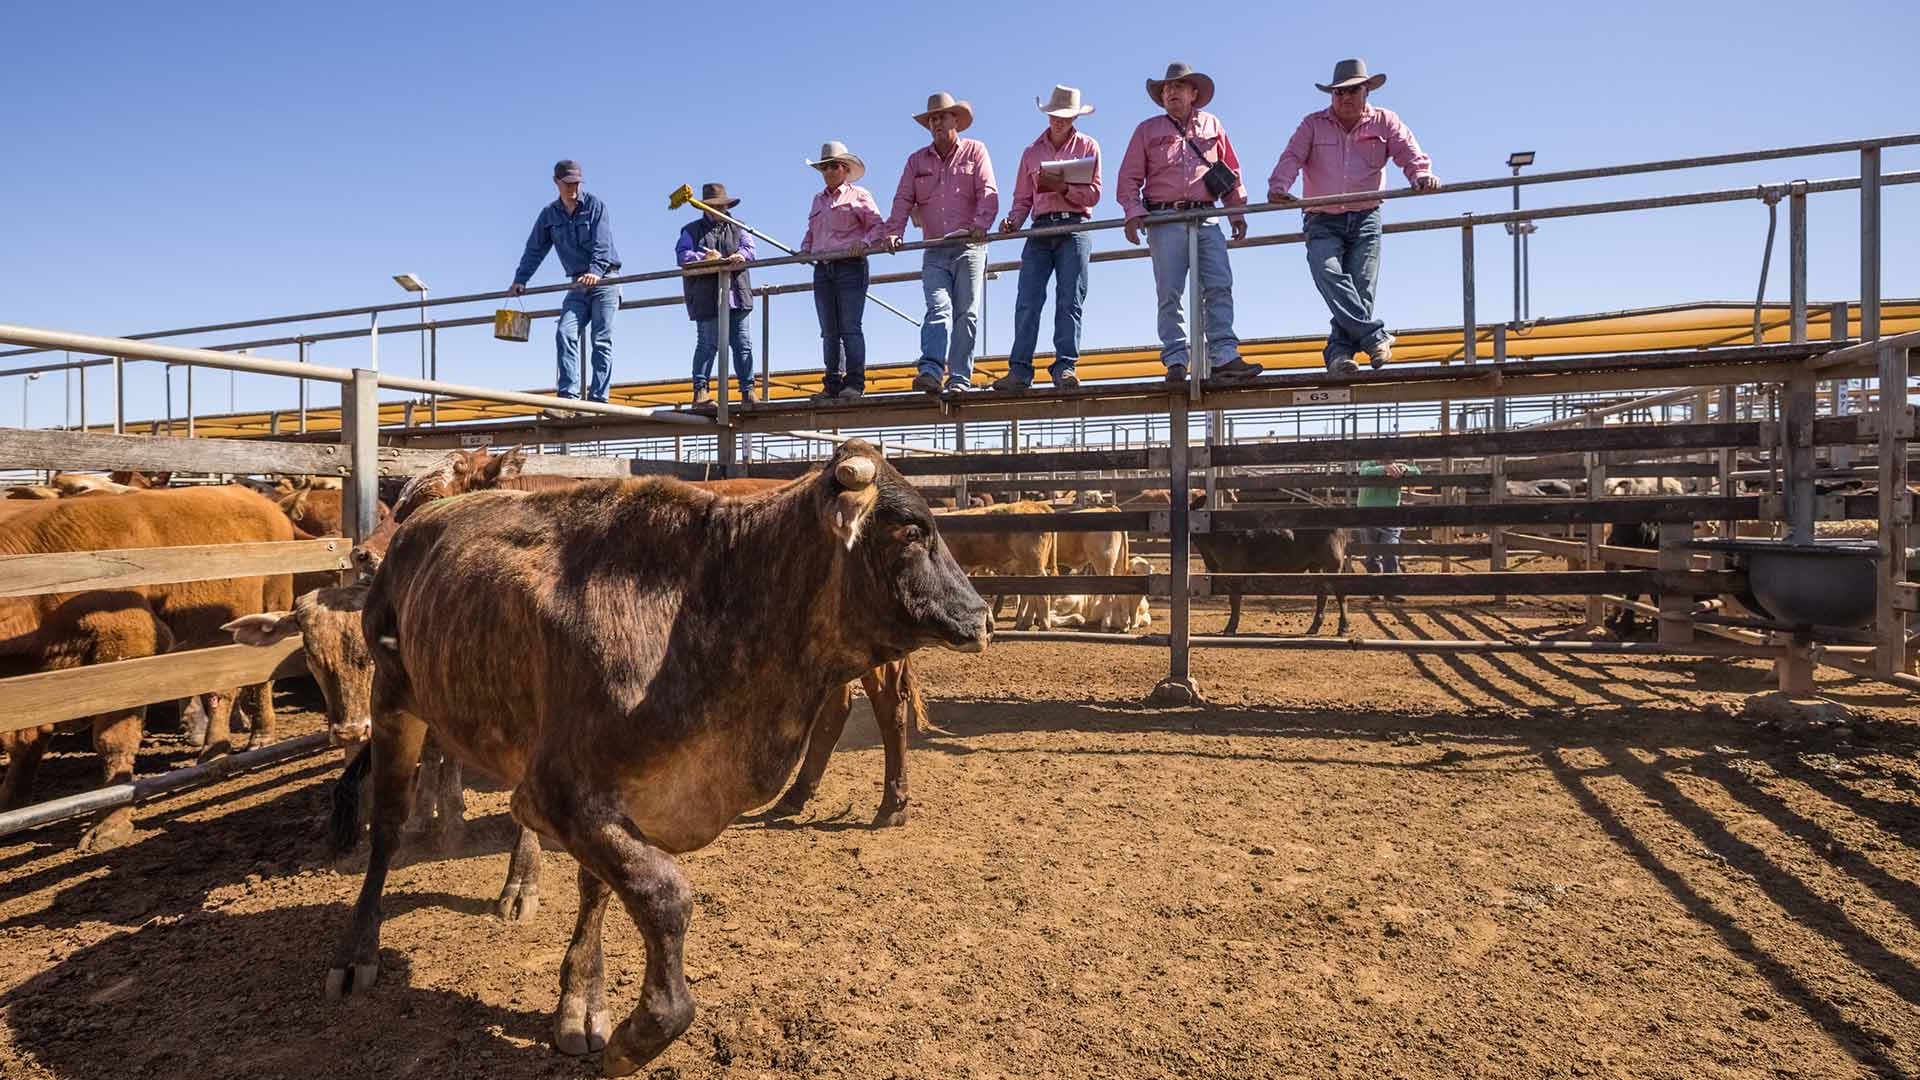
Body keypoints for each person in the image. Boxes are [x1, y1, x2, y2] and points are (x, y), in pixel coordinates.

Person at [1268, 59, 1438, 375]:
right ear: (1331, 95)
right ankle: (1374, 337)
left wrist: (1421, 175)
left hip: (1365, 216)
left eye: (1352, 91)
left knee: (1361, 287)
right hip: (1321, 217)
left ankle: (1339, 354)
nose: (1345, 97)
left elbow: (1408, 152)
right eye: (1339, 92)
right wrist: (1279, 187)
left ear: (1366, 91)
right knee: (1327, 272)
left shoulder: (1386, 121)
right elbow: (1292, 157)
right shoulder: (1312, 124)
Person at [1116, 63, 1264, 386]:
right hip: (1165, 218)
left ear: (1193, 93)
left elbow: (1231, 171)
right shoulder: (1146, 130)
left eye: (1179, 86)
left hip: (1206, 216)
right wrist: (1133, 212)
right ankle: (1175, 360)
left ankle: (1224, 355)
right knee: (1169, 291)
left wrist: (1236, 212)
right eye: (1167, 88)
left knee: (1219, 284)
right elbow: (1128, 177)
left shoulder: (1213, 124)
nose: (1171, 92)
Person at [883, 92, 999, 397]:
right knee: (938, 307)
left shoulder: (976, 150)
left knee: (966, 313)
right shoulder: (916, 161)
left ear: (955, 120)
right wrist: (894, 231)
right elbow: (903, 198)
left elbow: (988, 191)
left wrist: (981, 225)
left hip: (969, 246)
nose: (936, 123)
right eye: (932, 119)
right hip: (934, 247)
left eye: (942, 117)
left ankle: (959, 377)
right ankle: (931, 371)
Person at [993, 85, 1102, 392]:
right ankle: (1019, 370)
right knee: (1027, 301)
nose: (1058, 120)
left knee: (1070, 299)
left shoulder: (1089, 146)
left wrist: (1064, 188)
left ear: (1075, 118)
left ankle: (1065, 367)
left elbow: (1094, 194)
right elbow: (1021, 198)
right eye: (1055, 115)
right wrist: (1012, 221)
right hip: (1039, 229)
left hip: (1074, 227)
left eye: (1065, 116)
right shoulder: (1031, 152)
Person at [509, 159, 621, 416]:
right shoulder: (549, 215)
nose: (573, 188)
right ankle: (568, 400)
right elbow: (535, 249)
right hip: (577, 283)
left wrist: (595, 272)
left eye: (577, 183)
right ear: (556, 182)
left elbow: (602, 244)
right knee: (565, 332)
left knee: (601, 340)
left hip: (606, 279)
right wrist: (520, 280)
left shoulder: (595, 206)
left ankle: (597, 402)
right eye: (568, 183)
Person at [801, 141, 887, 402]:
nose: (829, 171)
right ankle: (832, 383)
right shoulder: (817, 200)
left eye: (834, 166)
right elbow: (812, 231)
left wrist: (864, 244)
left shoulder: (860, 195)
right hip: (822, 267)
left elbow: (877, 226)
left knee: (849, 326)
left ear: (845, 169)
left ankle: (855, 382)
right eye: (825, 167)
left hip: (851, 265)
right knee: (828, 329)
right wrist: (805, 249)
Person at [674, 183, 757, 409]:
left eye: (722, 205)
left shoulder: (739, 227)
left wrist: (740, 255)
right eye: (714, 205)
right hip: (706, 295)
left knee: (742, 344)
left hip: (737, 294)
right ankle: (700, 391)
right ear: (704, 207)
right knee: (707, 344)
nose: (719, 209)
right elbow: (682, 255)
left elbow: (750, 249)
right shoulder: (690, 230)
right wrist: (703, 257)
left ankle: (748, 390)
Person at [1356, 458, 1420, 600]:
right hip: (1368, 516)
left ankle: (1390, 589)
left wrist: (1405, 469)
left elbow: (1416, 471)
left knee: (1390, 551)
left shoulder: (1398, 466)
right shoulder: (1368, 464)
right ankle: (1375, 589)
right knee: (1371, 554)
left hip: (1389, 516)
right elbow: (1364, 471)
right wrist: (1385, 469)